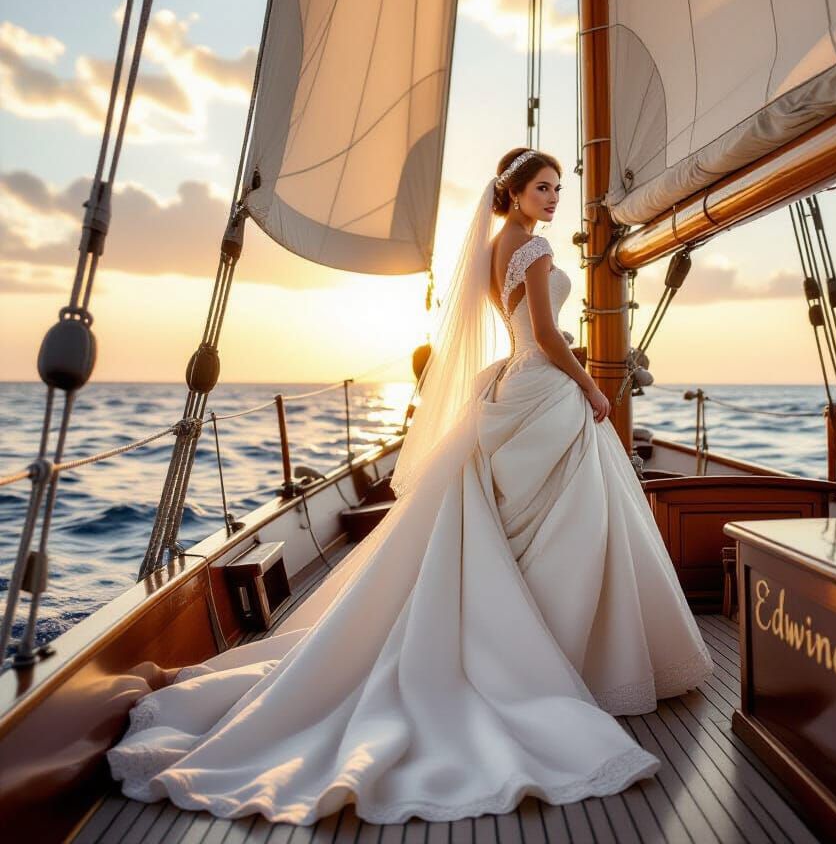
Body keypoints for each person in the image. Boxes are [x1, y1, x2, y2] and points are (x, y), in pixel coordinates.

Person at [107, 147, 714, 826]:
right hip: (544, 388)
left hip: (514, 386)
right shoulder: (534, 248)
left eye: (558, 188)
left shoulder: (496, 249)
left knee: (550, 525)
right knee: (581, 523)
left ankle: (550, 646)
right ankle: (570, 657)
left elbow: (521, 331)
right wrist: (592, 388)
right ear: (513, 193)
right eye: (543, 188)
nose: (552, 199)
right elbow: (544, 333)